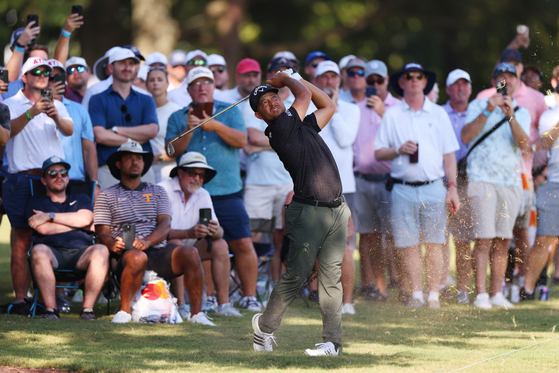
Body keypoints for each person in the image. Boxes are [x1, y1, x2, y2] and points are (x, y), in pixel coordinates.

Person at [250, 69, 349, 356]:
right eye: (264, 103)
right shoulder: (280, 130)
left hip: (337, 209)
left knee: (331, 277)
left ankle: (332, 343)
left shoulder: (302, 126)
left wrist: (295, 78)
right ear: (260, 116)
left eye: (273, 96)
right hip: (308, 213)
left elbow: (328, 105)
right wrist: (286, 80)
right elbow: (303, 95)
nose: (272, 102)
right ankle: (264, 330)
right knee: (297, 275)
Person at [165, 67, 260, 311]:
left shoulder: (229, 111)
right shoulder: (177, 117)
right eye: (196, 83)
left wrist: (215, 126)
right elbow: (171, 152)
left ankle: (249, 297)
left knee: (241, 243)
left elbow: (242, 141)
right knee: (200, 244)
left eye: (207, 81)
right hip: (191, 194)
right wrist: (190, 129)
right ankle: (206, 298)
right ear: (188, 90)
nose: (202, 87)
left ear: (214, 86)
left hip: (227, 191)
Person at [94, 140, 213, 325]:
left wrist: (147, 242)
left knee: (191, 253)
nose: (135, 162)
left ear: (144, 163)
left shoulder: (158, 191)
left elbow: (166, 224)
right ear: (118, 164)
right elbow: (101, 232)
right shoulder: (106, 195)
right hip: (124, 253)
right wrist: (111, 244)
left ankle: (197, 314)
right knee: (137, 257)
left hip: (156, 250)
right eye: (129, 158)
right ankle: (124, 311)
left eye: (139, 159)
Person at [375, 62, 460, 309]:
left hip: (434, 186)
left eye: (418, 76)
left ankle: (433, 295)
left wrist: (452, 187)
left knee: (435, 243)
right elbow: (379, 153)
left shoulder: (438, 113)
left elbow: (449, 155)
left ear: (425, 82)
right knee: (408, 246)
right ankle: (416, 295)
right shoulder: (391, 114)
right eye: (408, 76)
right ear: (401, 83)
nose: (413, 80)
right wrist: (397, 150)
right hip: (402, 188)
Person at [2, 57, 73, 316]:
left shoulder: (57, 103)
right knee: (21, 240)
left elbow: (68, 131)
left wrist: (54, 115)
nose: (43, 75)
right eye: (37, 71)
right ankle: (21, 299)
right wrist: (32, 111)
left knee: (51, 238)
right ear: (24, 77)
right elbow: (6, 134)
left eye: (47, 72)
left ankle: (47, 300)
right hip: (22, 178)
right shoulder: (9, 104)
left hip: (51, 178)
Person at [461, 62, 530, 309]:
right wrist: (488, 111)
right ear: (494, 82)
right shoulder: (479, 105)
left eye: (511, 78)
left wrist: (510, 116)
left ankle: (496, 293)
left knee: (503, 239)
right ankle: (481, 294)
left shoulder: (520, 111)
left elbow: (524, 145)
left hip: (510, 182)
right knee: (483, 238)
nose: (507, 81)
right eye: (502, 78)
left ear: (517, 83)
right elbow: (466, 136)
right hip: (482, 180)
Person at [158, 152, 242, 317]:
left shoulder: (203, 194)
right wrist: (188, 232)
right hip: (162, 250)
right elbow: (156, 233)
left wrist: (214, 230)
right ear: (180, 172)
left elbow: (220, 232)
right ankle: (182, 304)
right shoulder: (162, 189)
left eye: (201, 175)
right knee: (179, 244)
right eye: (192, 173)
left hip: (191, 247)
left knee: (220, 244)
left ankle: (223, 304)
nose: (197, 178)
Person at [27, 156, 109, 320]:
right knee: (38, 250)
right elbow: (42, 229)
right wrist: (77, 223)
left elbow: (86, 219)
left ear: (68, 177)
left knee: (101, 250)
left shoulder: (81, 198)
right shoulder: (36, 201)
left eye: (63, 173)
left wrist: (49, 216)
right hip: (52, 253)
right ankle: (51, 311)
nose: (59, 176)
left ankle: (87, 311)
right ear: (43, 180)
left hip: (81, 254)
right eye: (53, 173)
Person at [241, 57, 296, 288]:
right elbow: (253, 136)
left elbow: (294, 139)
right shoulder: (251, 103)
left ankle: (279, 285)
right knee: (252, 235)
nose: (281, 75)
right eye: (276, 71)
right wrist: (284, 139)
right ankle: (248, 289)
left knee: (283, 236)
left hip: (287, 181)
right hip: (259, 184)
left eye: (286, 71)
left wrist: (265, 142)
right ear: (270, 75)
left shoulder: (293, 104)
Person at [352, 60, 401, 302]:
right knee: (367, 234)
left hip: (389, 180)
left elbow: (405, 138)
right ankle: (368, 284)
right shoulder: (356, 108)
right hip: (361, 179)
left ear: (386, 81)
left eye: (378, 81)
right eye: (369, 81)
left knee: (391, 234)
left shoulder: (397, 108)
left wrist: (383, 112)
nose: (373, 85)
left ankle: (394, 281)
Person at [314, 60, 360, 314]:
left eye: (333, 77)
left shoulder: (351, 110)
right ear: (316, 80)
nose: (329, 82)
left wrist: (334, 107)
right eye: (324, 78)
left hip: (344, 187)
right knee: (318, 245)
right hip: (314, 185)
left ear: (339, 81)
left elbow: (345, 140)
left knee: (345, 245)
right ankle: (323, 297)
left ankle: (348, 302)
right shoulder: (306, 108)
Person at [89, 48, 158, 190]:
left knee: (148, 212)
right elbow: (100, 135)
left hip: (142, 171)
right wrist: (135, 141)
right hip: (108, 170)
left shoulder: (146, 99)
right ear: (110, 67)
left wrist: (115, 131)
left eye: (131, 64)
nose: (127, 68)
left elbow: (151, 131)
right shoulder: (97, 99)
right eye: (122, 63)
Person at [520, 94, 559, 300]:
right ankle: (527, 289)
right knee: (544, 239)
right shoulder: (550, 116)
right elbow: (545, 142)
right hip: (555, 183)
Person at [441, 69, 474, 304]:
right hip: (441, 181)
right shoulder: (439, 113)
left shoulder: (479, 112)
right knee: (438, 239)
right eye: (456, 84)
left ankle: (463, 289)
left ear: (470, 88)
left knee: (463, 240)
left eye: (465, 84)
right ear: (447, 89)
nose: (461, 88)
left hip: (468, 181)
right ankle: (440, 285)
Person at [46, 59, 99, 188]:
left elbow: (88, 149)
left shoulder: (79, 109)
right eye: (50, 77)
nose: (54, 81)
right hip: (46, 180)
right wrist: (47, 97)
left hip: (75, 179)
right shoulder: (34, 108)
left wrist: (95, 183)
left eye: (59, 77)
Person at [146, 67, 182, 183]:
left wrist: (160, 157)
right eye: (151, 80)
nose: (155, 83)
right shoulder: (142, 110)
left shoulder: (176, 111)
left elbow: (183, 145)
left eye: (160, 79)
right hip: (144, 171)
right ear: (146, 85)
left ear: (167, 83)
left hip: (168, 172)